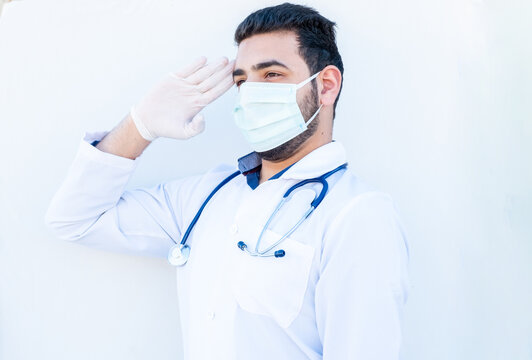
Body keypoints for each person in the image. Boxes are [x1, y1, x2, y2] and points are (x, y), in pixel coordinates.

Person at [45, 3, 410, 359]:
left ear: (326, 86)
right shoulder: (208, 196)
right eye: (242, 81)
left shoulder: (358, 215)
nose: (251, 94)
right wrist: (140, 125)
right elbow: (75, 219)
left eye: (271, 75)